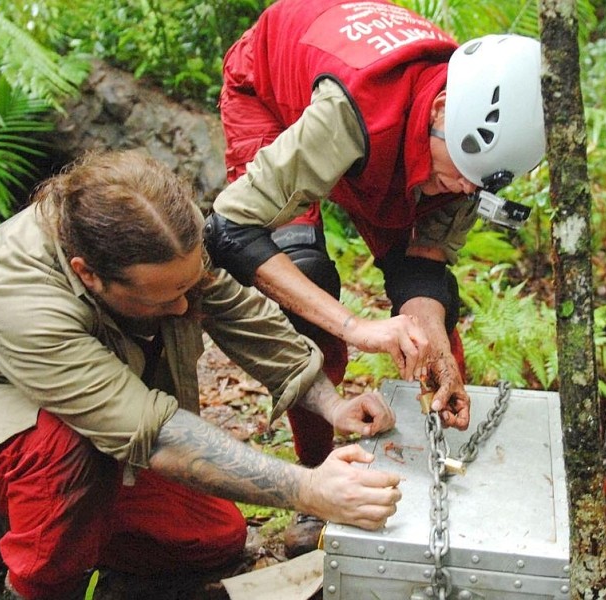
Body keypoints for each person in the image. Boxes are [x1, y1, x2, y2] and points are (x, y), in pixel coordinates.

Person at [0, 150, 402, 600]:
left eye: (187, 286)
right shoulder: (18, 301)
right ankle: (32, 582)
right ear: (89, 274)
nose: (182, 307)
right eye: (163, 299)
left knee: (213, 538)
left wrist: (331, 403)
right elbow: (156, 434)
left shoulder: (162, 235)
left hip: (95, 416)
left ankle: (24, 520)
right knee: (70, 451)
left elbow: (240, 313)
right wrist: (309, 489)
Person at [206, 0, 545, 553]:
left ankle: (442, 476)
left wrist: (432, 338)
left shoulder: (471, 152)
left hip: (390, 135)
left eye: (479, 187)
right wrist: (355, 327)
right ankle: (319, 480)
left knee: (437, 330)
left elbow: (422, 266)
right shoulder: (350, 113)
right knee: (305, 281)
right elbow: (230, 229)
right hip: (272, 94)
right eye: (462, 176)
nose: (466, 193)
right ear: (440, 112)